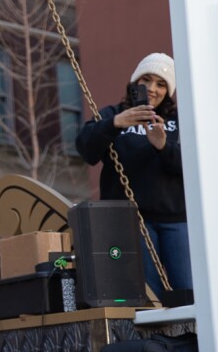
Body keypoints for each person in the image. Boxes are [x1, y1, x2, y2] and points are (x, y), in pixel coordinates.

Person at [75, 52, 191, 298]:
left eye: (161, 84)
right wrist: (115, 123)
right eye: (145, 80)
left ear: (169, 91)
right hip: (131, 219)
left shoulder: (181, 121)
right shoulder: (113, 114)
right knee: (148, 294)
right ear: (134, 83)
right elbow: (86, 150)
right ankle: (156, 338)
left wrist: (163, 147)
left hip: (176, 219)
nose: (151, 89)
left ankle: (191, 337)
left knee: (188, 290)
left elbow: (194, 169)